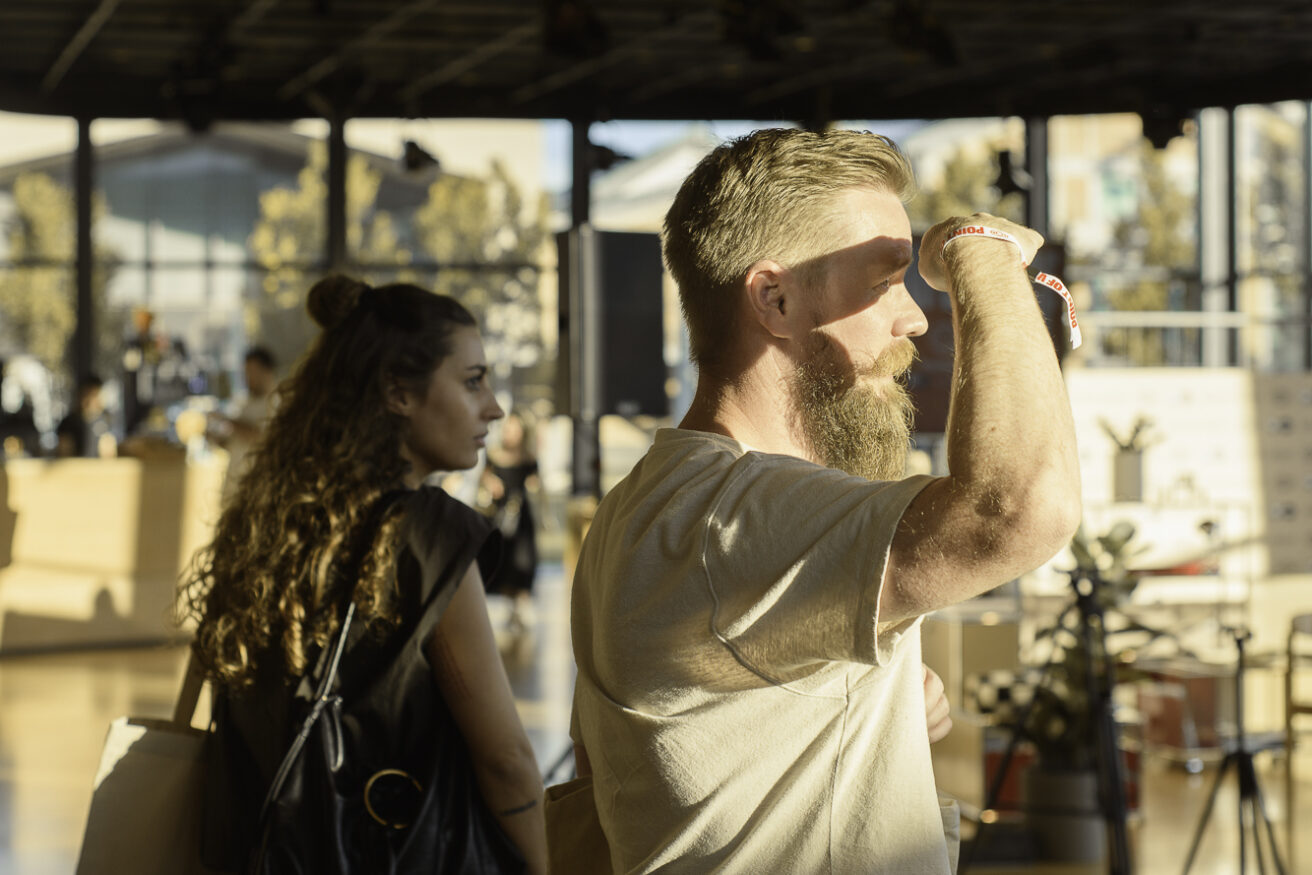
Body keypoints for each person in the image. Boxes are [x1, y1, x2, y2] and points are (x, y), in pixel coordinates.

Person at [565, 129, 1081, 873]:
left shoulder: (640, 505)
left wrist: (874, 708)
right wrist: (982, 254)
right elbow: (1020, 507)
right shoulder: (734, 515)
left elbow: (618, 765)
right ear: (774, 298)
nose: (915, 317)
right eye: (885, 281)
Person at [175, 276, 547, 873]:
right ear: (398, 393)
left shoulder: (269, 523)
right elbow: (506, 760)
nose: (494, 407)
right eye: (473, 381)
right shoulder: (426, 534)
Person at [481, 410, 541, 631]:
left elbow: (536, 485)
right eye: (508, 429)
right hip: (500, 517)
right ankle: (510, 609)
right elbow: (484, 477)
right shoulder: (494, 456)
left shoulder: (529, 458)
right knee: (503, 561)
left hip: (522, 519)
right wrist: (490, 483)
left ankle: (520, 608)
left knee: (524, 561)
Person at [212, 345, 279, 500]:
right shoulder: (245, 403)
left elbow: (260, 437)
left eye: (252, 372)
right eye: (246, 372)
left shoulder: (276, 403)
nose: (248, 377)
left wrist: (226, 420)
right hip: (236, 490)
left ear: (267, 371)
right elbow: (234, 442)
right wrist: (216, 438)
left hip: (258, 493)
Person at [54, 373, 115, 458]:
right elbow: (63, 455)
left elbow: (109, 455)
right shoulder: (68, 423)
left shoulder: (106, 422)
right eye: (87, 395)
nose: (90, 400)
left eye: (94, 395)